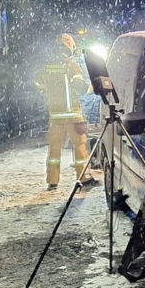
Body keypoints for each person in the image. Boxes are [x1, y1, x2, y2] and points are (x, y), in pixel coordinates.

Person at [35, 33, 98, 190]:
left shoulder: (46, 67)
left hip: (55, 115)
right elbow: (80, 88)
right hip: (73, 115)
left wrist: (48, 95)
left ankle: (52, 180)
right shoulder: (71, 66)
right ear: (70, 48)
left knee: (54, 150)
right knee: (80, 147)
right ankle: (83, 177)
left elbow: (37, 83)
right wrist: (93, 88)